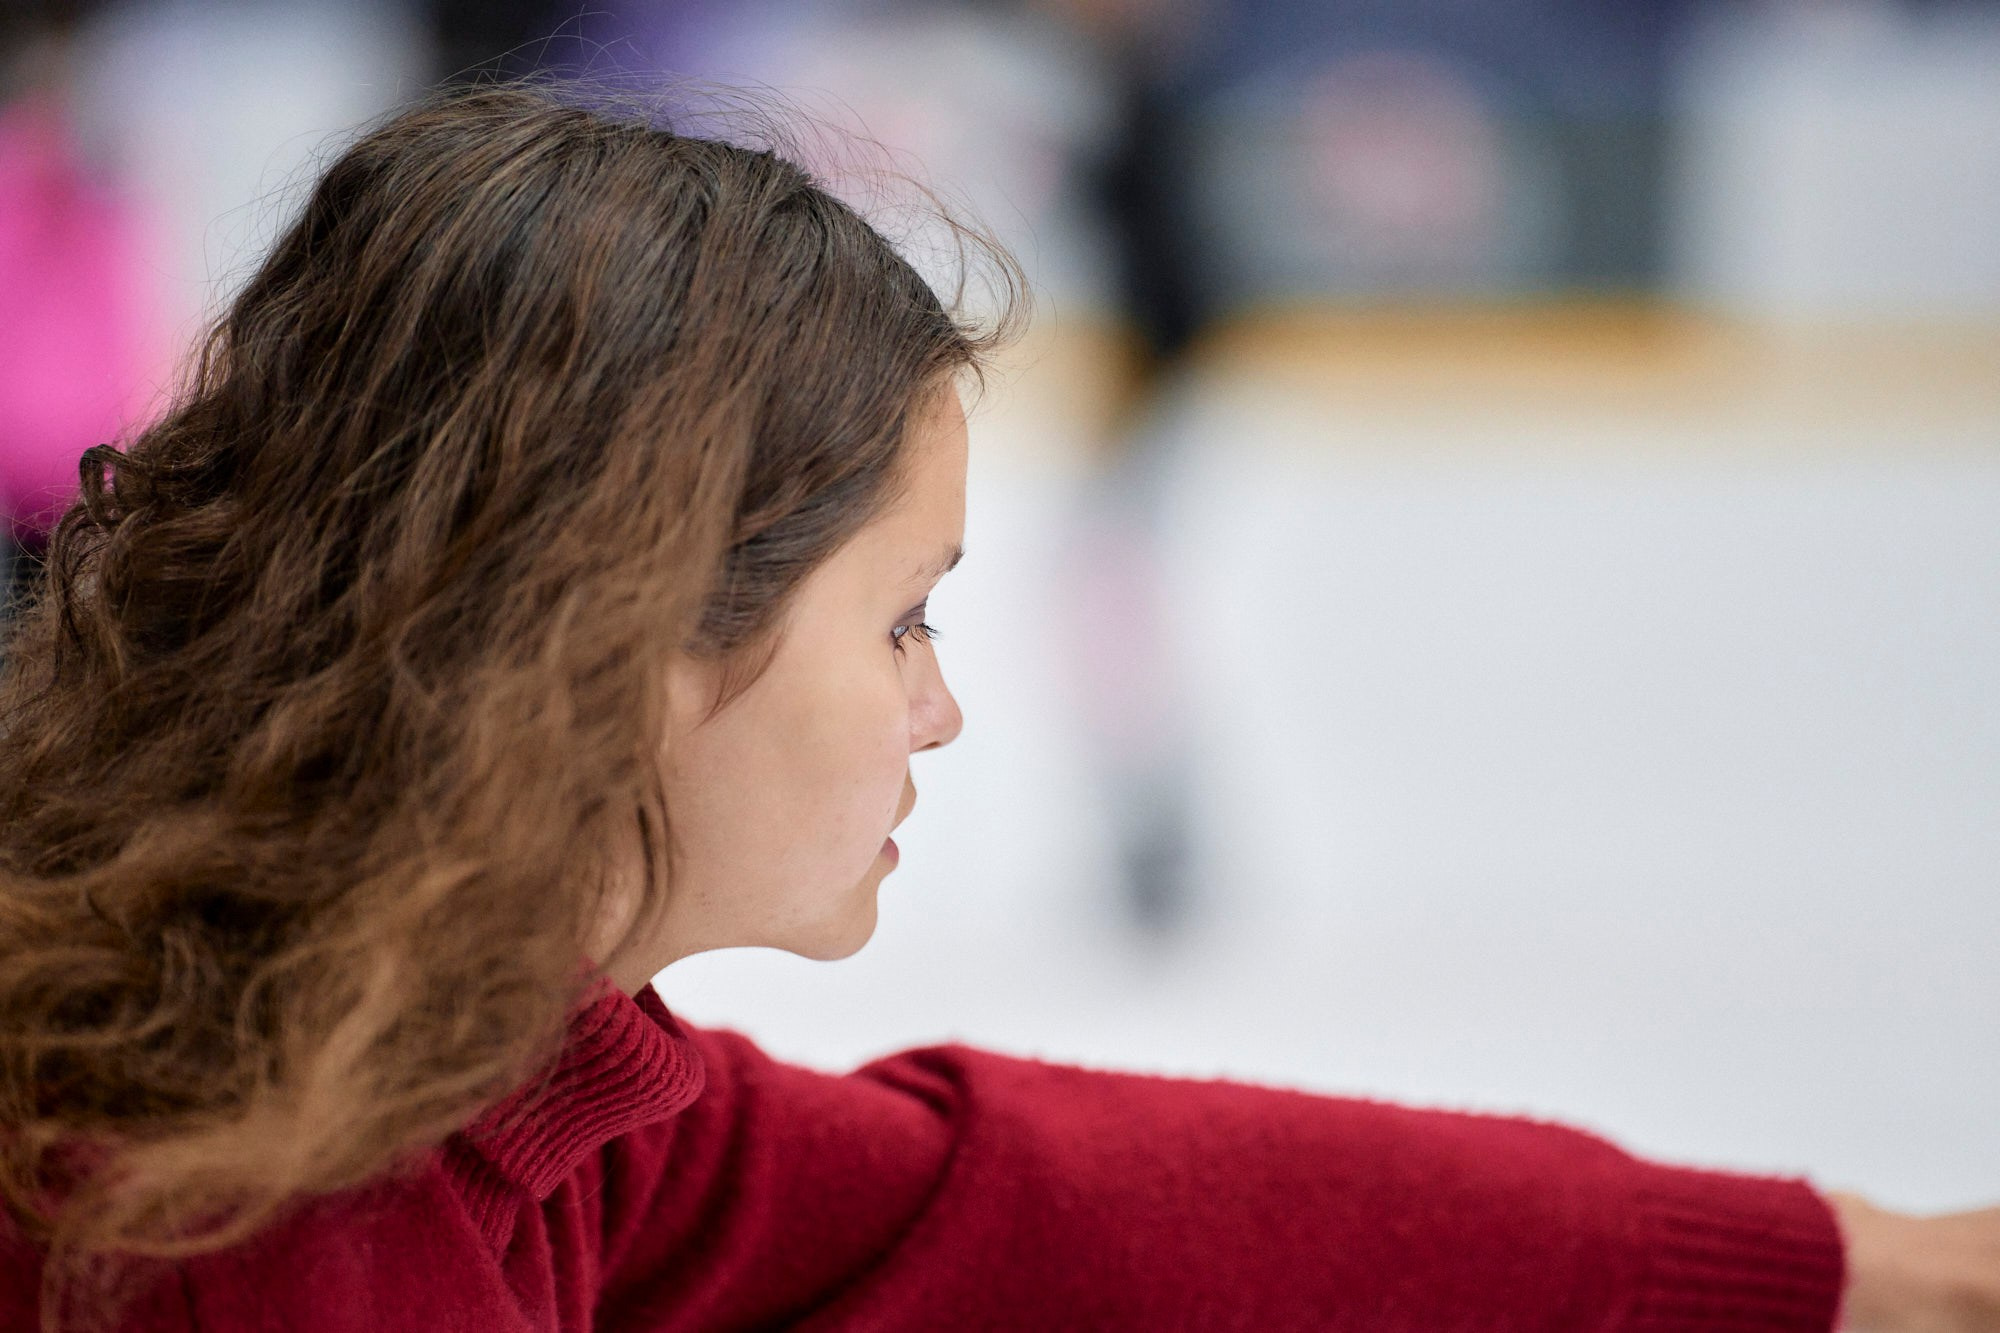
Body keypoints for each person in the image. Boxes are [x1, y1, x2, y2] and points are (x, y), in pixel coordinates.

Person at [0, 80, 1992, 1333]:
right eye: (902, 620)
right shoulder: (243, 1231)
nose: (939, 712)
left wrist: (1841, 1266)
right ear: (618, 636)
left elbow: (1025, 1199)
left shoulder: (449, 1078)